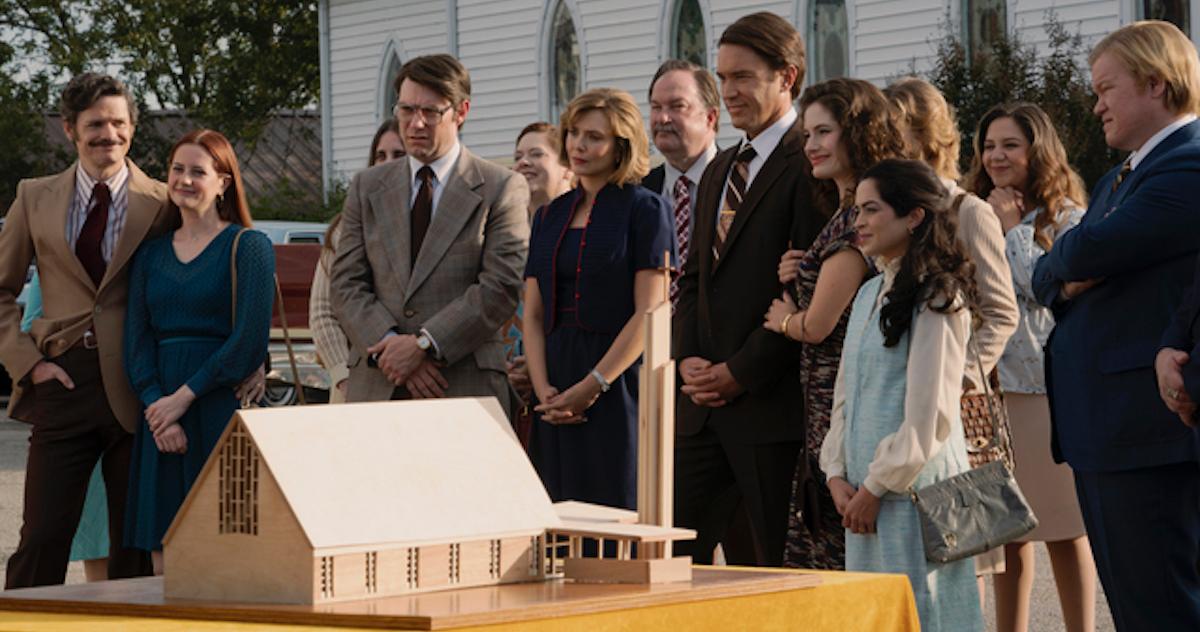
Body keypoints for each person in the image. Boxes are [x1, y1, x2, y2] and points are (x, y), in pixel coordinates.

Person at [1035, 21, 1200, 630]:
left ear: (1156, 84)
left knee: (1163, 606)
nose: (1095, 104)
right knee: (1135, 607)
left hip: (1147, 431)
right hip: (1109, 431)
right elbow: (1047, 278)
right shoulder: (1118, 178)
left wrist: (1071, 261)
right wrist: (1069, 262)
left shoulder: (1189, 164)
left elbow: (1077, 255)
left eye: (1107, 89)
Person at [0, 73, 172, 587]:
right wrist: (30, 364)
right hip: (63, 381)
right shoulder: (34, 197)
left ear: (133, 129)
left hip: (137, 385)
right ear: (70, 129)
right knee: (43, 537)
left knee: (132, 548)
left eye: (119, 123)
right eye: (95, 124)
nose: (109, 135)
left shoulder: (162, 202)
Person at [673, 12, 824, 567]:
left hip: (769, 406)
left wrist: (740, 372)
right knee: (670, 560)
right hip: (701, 409)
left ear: (786, 77)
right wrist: (687, 354)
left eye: (743, 77)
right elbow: (692, 280)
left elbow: (808, 292)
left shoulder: (810, 164)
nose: (729, 92)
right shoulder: (719, 168)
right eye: (723, 77)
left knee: (776, 569)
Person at [821, 158, 982, 632]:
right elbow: (844, 395)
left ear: (913, 216)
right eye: (856, 210)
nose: (859, 222)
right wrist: (836, 473)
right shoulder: (870, 292)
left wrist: (874, 487)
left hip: (914, 500)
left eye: (872, 210)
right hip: (862, 498)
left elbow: (930, 416)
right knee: (874, 617)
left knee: (926, 613)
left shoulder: (939, 298)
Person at [331, 54, 529, 409]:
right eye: (406, 110)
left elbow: (500, 287)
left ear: (461, 111)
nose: (415, 123)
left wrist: (425, 345)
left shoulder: (501, 188)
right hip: (378, 386)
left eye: (431, 112)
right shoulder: (367, 186)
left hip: (463, 387)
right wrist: (393, 348)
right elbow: (345, 284)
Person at [762, 77, 904, 570]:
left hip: (841, 400)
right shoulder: (845, 213)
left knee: (836, 556)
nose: (812, 145)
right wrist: (803, 268)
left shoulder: (855, 221)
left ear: (858, 132)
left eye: (824, 132)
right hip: (827, 399)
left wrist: (785, 321)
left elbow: (819, 325)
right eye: (807, 135)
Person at [965, 102, 1096, 632]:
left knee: (1066, 530)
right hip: (990, 391)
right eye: (989, 146)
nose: (996, 156)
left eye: (1010, 145)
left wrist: (1014, 228)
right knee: (1006, 533)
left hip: (1045, 392)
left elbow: (1045, 290)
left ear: (1037, 150)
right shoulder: (973, 207)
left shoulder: (1067, 217)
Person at [885, 76, 1019, 585]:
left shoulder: (969, 211)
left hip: (956, 413)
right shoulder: (885, 211)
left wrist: (955, 375)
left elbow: (1002, 312)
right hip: (895, 398)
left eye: (897, 137)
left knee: (958, 555)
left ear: (926, 137)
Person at [123, 129, 274, 574]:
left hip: (219, 406)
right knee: (163, 547)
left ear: (223, 182)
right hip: (160, 414)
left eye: (198, 172)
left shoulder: (249, 248)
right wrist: (157, 408)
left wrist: (183, 399)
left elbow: (248, 341)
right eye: (177, 169)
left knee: (226, 549)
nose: (184, 180)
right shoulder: (149, 256)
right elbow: (136, 342)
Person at [523, 88, 674, 509]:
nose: (579, 145)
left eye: (594, 137)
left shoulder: (646, 209)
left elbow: (651, 311)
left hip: (617, 381)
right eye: (573, 133)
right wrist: (544, 391)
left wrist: (594, 385)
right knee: (554, 517)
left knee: (615, 513)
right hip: (553, 383)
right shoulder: (549, 215)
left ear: (620, 146)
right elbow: (533, 315)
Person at [310, 119, 404, 404]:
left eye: (399, 155)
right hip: (355, 385)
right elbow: (323, 312)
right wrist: (343, 377)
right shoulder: (345, 228)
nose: (386, 163)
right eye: (380, 155)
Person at [506, 122, 574, 437]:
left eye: (537, 154)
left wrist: (537, 367)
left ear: (568, 168)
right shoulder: (502, 233)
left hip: (566, 384)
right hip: (508, 389)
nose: (524, 162)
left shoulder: (582, 234)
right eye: (518, 155)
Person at [643, 59, 720, 307]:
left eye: (677, 106)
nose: (662, 118)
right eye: (656, 107)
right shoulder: (640, 192)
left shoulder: (739, 184)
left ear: (710, 117)